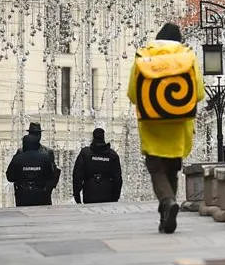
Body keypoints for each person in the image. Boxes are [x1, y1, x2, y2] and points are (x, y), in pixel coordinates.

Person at [131, 22, 202, 234]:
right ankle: (168, 210)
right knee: (172, 168)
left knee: (156, 169)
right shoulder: (187, 57)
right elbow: (198, 93)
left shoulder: (143, 56)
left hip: (152, 126)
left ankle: (168, 202)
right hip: (180, 126)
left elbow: (133, 94)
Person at [6, 122, 61, 207]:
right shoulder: (21, 151)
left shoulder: (47, 152)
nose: (36, 136)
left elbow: (52, 173)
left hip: (42, 192)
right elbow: (13, 172)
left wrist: (48, 189)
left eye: (37, 134)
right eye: (33, 134)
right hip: (24, 192)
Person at [73, 127, 124, 204]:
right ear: (104, 137)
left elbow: (77, 175)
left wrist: (77, 196)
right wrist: (115, 197)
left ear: (93, 137)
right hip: (107, 193)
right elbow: (118, 178)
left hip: (89, 193)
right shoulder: (112, 155)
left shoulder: (85, 153)